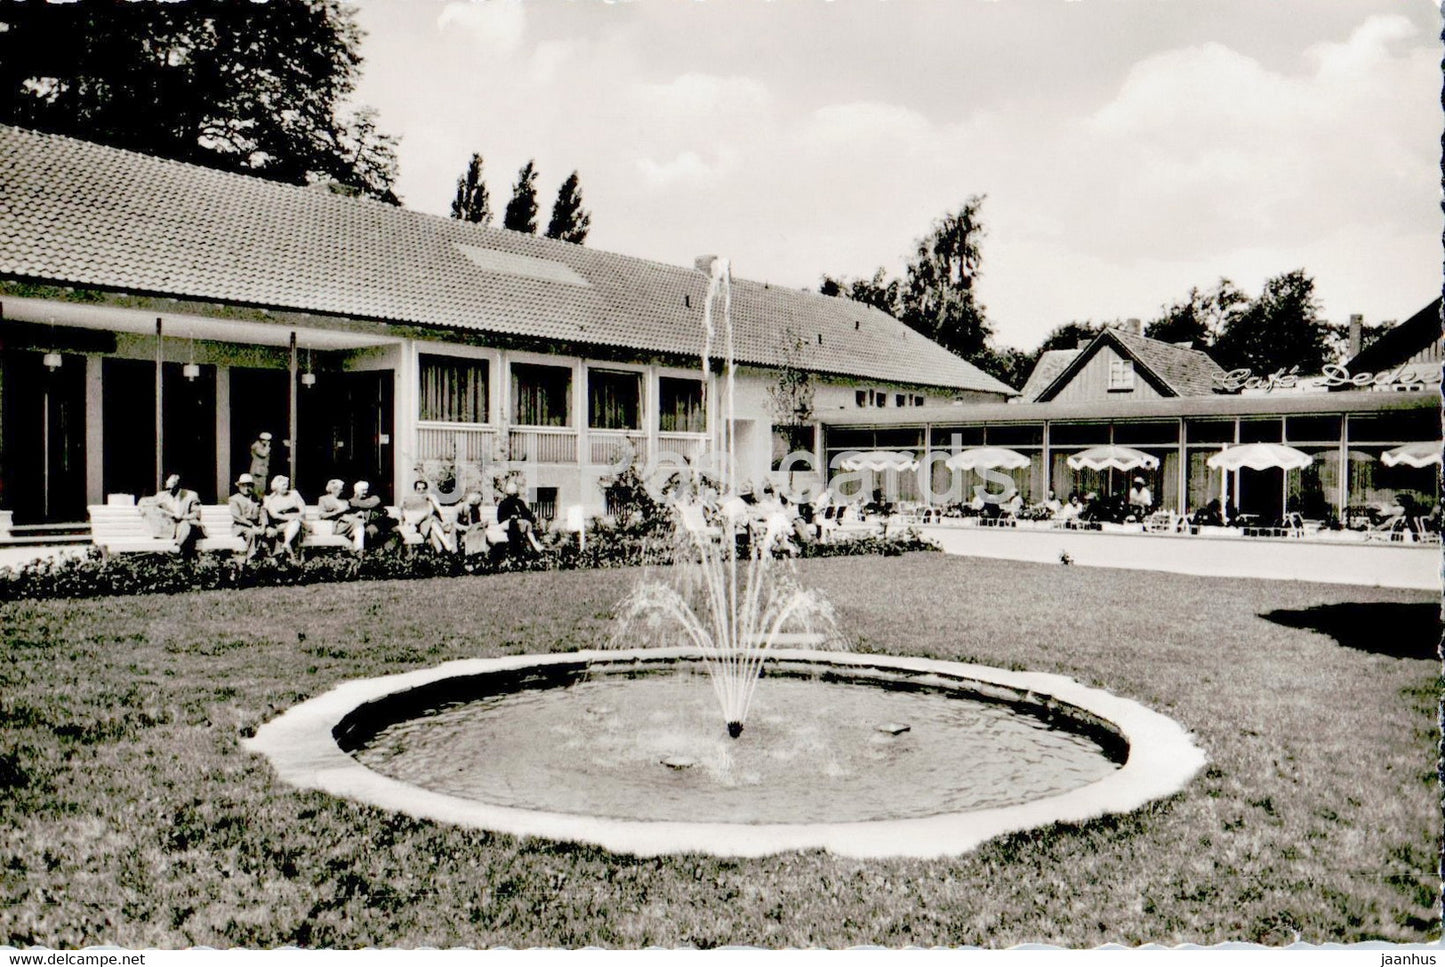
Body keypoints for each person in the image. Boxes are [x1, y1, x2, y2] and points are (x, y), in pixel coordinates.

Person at [157, 473, 205, 556]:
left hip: (188, 526)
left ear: (178, 485)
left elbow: (196, 514)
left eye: (172, 488)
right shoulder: (161, 496)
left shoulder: (191, 495)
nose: (170, 491)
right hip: (170, 527)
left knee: (185, 524)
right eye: (168, 488)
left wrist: (181, 517)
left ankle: (177, 546)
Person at [401, 478, 454, 553]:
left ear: (426, 489)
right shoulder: (412, 500)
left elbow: (439, 509)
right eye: (418, 489)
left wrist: (432, 500)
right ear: (415, 490)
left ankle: (441, 552)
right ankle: (445, 546)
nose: (421, 491)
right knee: (432, 526)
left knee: (433, 524)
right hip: (422, 525)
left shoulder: (430, 498)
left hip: (434, 523)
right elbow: (408, 514)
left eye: (423, 488)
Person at [262, 474, 306, 561]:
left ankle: (286, 545)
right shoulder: (271, 499)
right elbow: (274, 514)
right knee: (290, 525)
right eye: (283, 485)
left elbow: (303, 510)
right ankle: (291, 555)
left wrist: (295, 516)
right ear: (276, 487)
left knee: (296, 523)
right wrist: (289, 518)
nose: (286, 487)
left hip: (297, 520)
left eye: (286, 484)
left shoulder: (294, 494)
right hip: (281, 522)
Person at [349, 480, 397, 550]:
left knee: (372, 530)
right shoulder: (351, 501)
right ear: (356, 491)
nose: (365, 492)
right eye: (363, 490)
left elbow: (368, 504)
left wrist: (355, 501)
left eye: (366, 490)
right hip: (360, 525)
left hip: (377, 522)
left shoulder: (375, 498)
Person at [497, 481, 542, 554]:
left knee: (527, 524)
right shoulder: (504, 503)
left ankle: (536, 547)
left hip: (521, 525)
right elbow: (500, 518)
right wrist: (511, 517)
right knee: (515, 524)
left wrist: (529, 518)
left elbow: (526, 513)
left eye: (514, 492)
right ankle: (516, 550)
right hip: (506, 524)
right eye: (512, 492)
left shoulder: (520, 502)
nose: (513, 494)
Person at [228, 473, 265, 560]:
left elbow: (263, 513)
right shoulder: (234, 499)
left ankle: (274, 558)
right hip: (239, 526)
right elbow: (237, 517)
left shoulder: (256, 499)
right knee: (251, 532)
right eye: (243, 486)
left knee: (270, 532)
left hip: (256, 525)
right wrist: (252, 526)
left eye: (249, 485)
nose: (246, 488)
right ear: (239, 486)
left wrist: (263, 526)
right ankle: (249, 558)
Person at [317, 478, 360, 551]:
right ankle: (358, 548)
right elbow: (322, 515)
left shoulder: (344, 501)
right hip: (333, 526)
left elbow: (349, 514)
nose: (342, 491)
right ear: (333, 489)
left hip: (346, 524)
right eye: (340, 489)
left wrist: (357, 514)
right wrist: (337, 512)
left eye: (342, 489)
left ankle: (358, 548)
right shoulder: (323, 499)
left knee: (359, 522)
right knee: (358, 524)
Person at [452, 491, 489, 555]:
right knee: (454, 530)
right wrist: (465, 528)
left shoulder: (475, 510)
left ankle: (477, 553)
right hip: (458, 530)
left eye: (475, 506)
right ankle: (455, 553)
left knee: (480, 532)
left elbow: (476, 523)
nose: (472, 508)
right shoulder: (458, 508)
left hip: (470, 531)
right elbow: (453, 524)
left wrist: (482, 525)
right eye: (471, 506)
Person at [248, 433, 272, 497]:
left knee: (262, 489)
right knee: (256, 489)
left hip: (262, 471)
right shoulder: (256, 446)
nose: (267, 442)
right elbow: (263, 454)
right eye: (265, 440)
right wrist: (267, 446)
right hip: (257, 470)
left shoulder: (262, 446)